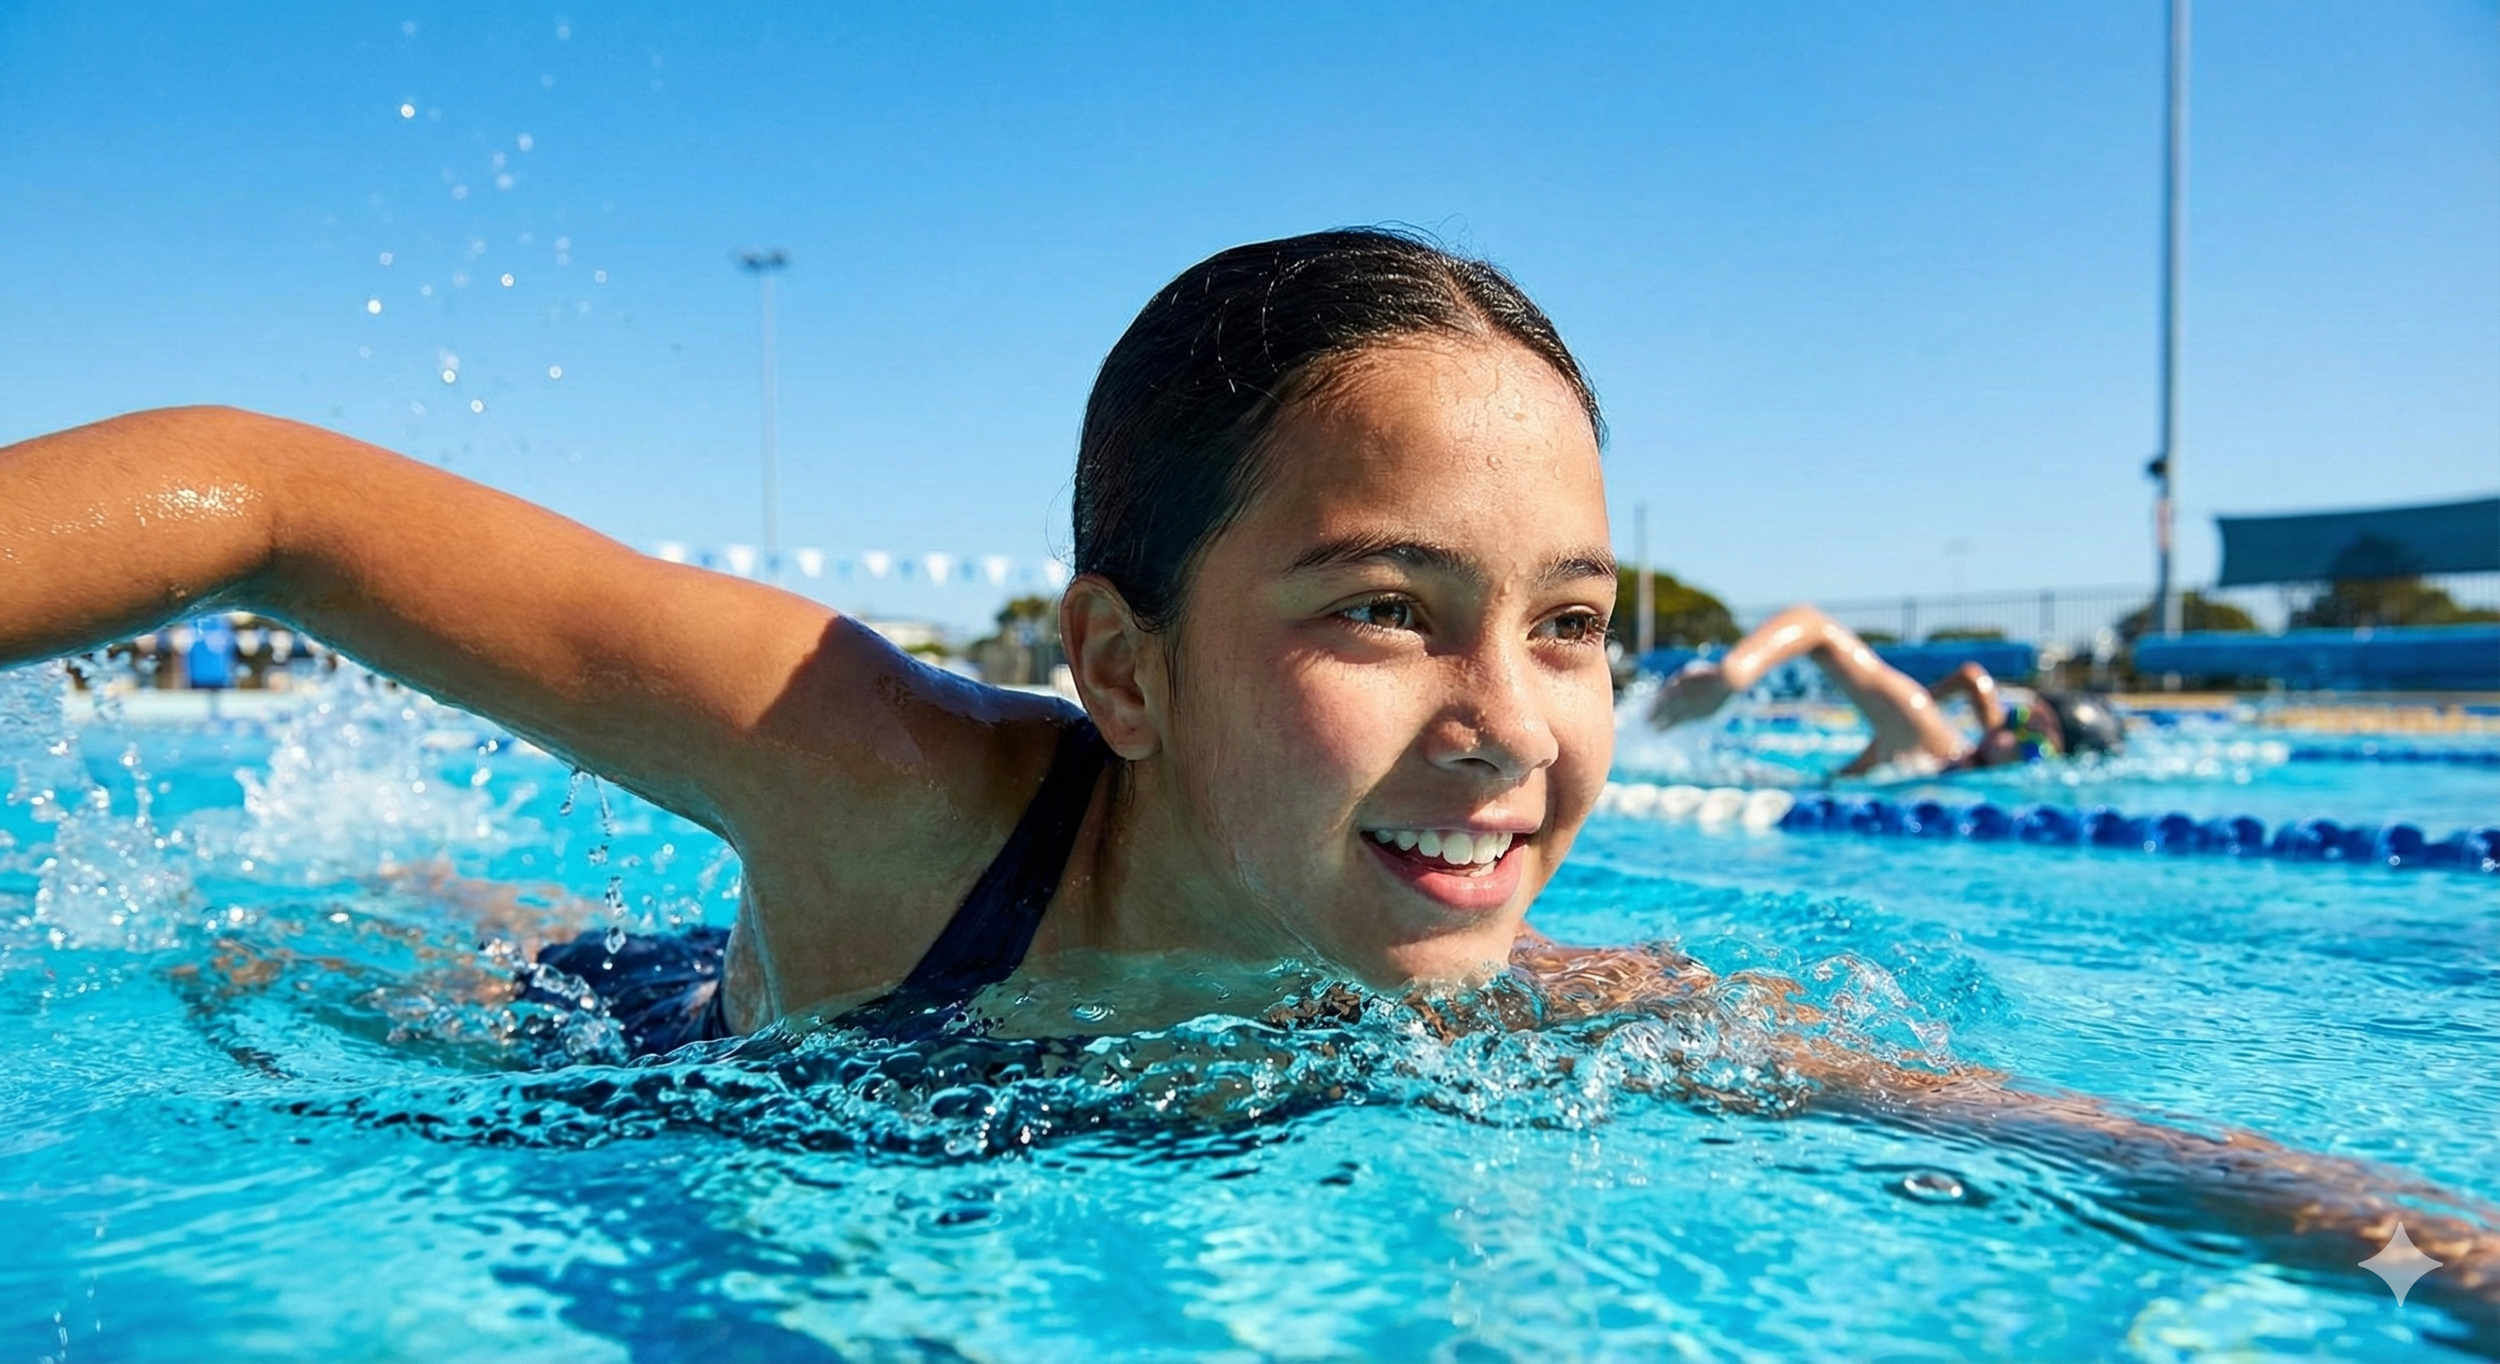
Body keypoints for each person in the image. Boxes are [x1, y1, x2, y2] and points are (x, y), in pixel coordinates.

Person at [4, 231, 2497, 1324]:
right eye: (1380, 606)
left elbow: (2059, 1134)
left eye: (1568, 621)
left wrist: (2428, 1251)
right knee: (360, 949)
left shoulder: (1512, 993)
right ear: (1120, 660)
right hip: (645, 1042)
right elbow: (274, 493)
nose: (1507, 718)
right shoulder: (891, 782)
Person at [1649, 603, 2123, 776]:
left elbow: (1972, 677)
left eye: (2033, 746)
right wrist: (1733, 675)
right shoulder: (1924, 733)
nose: (2004, 737)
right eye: (2016, 720)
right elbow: (1815, 625)